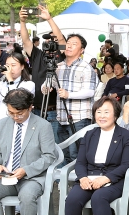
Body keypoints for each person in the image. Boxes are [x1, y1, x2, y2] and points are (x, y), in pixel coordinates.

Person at [59, 97, 129, 215]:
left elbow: (127, 163)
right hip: (90, 176)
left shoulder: (126, 136)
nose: (102, 115)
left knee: (99, 197)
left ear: (115, 115)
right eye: (98, 112)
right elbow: (80, 162)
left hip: (114, 179)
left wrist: (106, 179)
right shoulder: (90, 134)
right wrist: (82, 178)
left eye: (106, 112)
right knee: (72, 198)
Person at [42, 34, 98, 164]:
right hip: (61, 117)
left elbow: (90, 91)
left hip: (79, 118)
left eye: (74, 44)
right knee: (62, 155)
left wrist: (69, 95)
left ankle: (79, 182)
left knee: (76, 154)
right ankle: (65, 183)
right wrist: (45, 87)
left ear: (82, 50)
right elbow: (49, 84)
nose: (69, 45)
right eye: (68, 43)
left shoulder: (86, 67)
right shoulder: (58, 66)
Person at [0, 50, 37, 122]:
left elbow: (17, 100)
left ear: (22, 67)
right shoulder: (3, 83)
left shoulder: (29, 84)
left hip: (19, 122)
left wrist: (10, 79)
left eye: (13, 65)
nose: (10, 68)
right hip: (1, 122)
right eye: (8, 65)